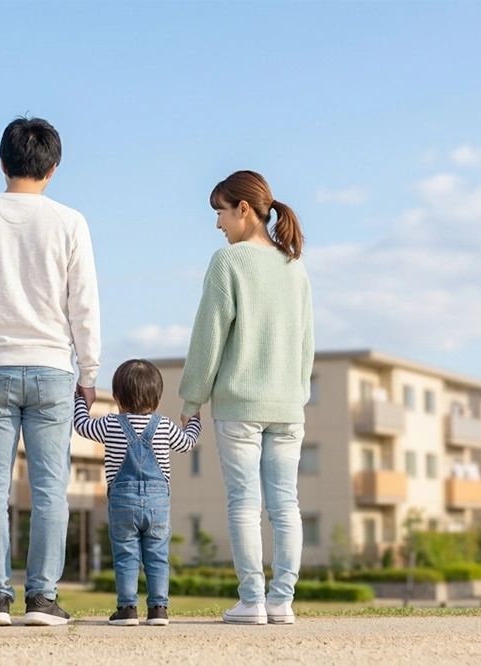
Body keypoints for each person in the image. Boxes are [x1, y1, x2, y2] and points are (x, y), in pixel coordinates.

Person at [0, 116, 101, 626]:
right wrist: (90, 369)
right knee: (51, 488)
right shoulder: (70, 221)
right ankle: (42, 599)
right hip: (55, 368)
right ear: (53, 167)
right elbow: (85, 305)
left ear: (1, 162)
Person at [178, 170, 314, 625]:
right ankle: (283, 602)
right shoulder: (295, 267)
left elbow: (208, 338)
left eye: (219, 211)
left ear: (243, 209)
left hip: (239, 405)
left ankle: (252, 602)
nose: (217, 224)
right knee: (286, 504)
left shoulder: (227, 262)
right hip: (288, 406)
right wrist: (298, 395)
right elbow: (306, 344)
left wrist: (192, 398)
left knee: (244, 503)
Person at [73, 359, 200, 626]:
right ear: (157, 397)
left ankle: (127, 609)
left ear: (117, 397)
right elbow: (188, 443)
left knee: (125, 555)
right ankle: (158, 610)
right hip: (158, 504)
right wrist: (193, 421)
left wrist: (81, 400)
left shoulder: (110, 424)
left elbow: (82, 425)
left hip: (122, 503)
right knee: (157, 556)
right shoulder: (163, 426)